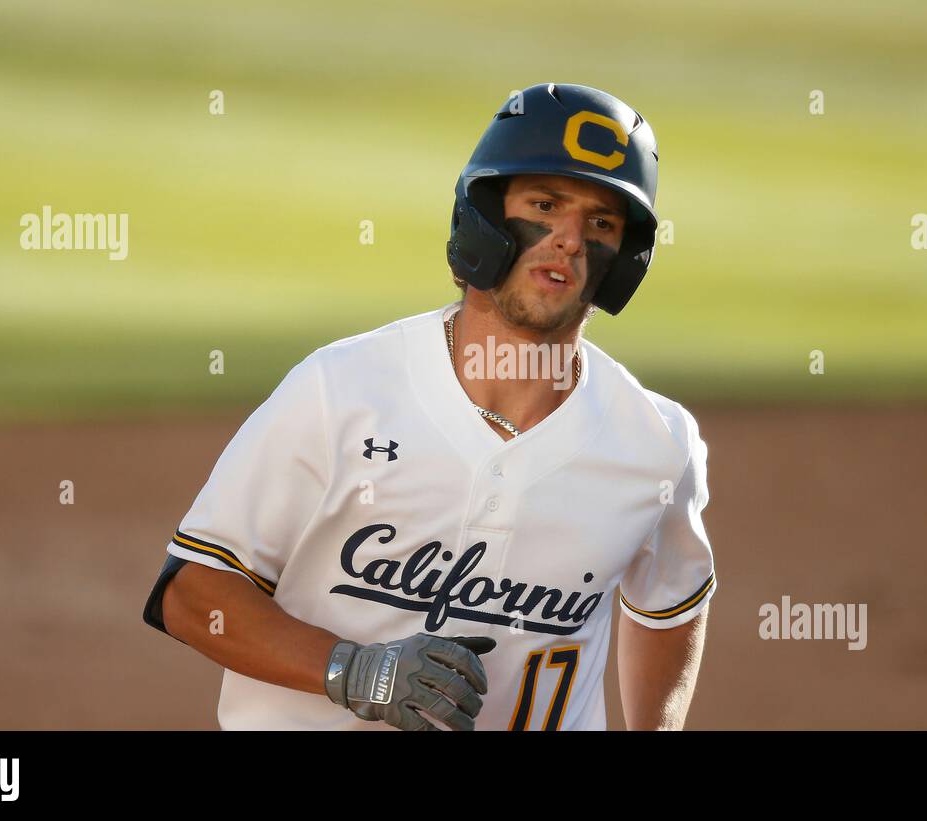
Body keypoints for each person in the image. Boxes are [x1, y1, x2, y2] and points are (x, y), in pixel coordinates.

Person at [143, 82, 715, 730]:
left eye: (601, 223)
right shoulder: (342, 392)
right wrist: (355, 669)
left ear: (624, 261)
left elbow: (671, 604)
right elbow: (192, 595)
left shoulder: (656, 447)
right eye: (545, 205)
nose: (570, 239)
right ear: (486, 219)